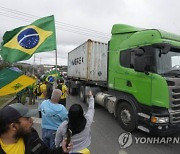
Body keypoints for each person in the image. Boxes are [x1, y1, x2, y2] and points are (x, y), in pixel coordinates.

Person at [0, 103, 72, 154]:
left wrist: (61, 150)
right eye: (27, 118)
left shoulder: (31, 135)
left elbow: (44, 152)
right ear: (13, 126)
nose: (31, 120)